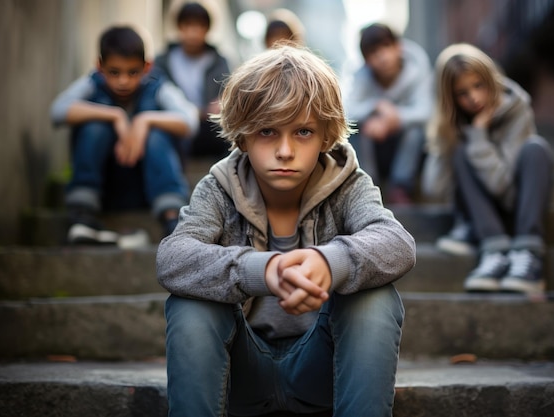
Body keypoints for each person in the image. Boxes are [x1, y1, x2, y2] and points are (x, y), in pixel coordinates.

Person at [156, 45, 416, 416]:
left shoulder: (348, 183)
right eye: (267, 131)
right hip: (239, 375)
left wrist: (330, 263)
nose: (284, 150)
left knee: (375, 297)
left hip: (321, 372)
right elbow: (173, 257)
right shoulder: (219, 186)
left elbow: (396, 244)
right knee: (190, 302)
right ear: (242, 137)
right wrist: (263, 270)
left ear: (327, 137)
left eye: (303, 132)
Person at [422, 43, 554, 294]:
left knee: (536, 149)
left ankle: (529, 256)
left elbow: (501, 184)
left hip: (517, 205)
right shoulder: (458, 121)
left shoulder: (517, 108)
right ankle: (494, 251)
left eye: (478, 85)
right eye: (462, 93)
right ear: (451, 98)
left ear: (490, 79)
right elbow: (434, 188)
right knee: (460, 151)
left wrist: (479, 136)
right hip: (483, 216)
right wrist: (443, 132)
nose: (474, 98)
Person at [50, 25, 197, 244]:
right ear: (99, 66)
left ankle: (172, 219)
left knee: (157, 133)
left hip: (149, 189)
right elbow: (57, 111)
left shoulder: (157, 86)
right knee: (94, 126)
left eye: (133, 72)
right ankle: (81, 215)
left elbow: (190, 120)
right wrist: (115, 116)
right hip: (104, 189)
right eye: (114, 72)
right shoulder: (92, 83)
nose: (123, 81)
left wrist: (144, 120)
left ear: (147, 67)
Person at [343, 23, 433, 205]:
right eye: (373, 53)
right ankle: (367, 189)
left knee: (415, 130)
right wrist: (376, 107)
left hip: (409, 147)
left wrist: (394, 118)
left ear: (398, 47)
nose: (382, 57)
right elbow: (347, 112)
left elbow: (426, 111)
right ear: (367, 61)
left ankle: (400, 188)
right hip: (376, 146)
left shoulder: (417, 68)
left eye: (386, 47)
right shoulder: (362, 76)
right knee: (356, 129)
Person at [154, 1, 231, 160]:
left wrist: (221, 103)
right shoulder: (163, 61)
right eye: (188, 25)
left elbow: (226, 93)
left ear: (207, 29)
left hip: (208, 126)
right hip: (175, 123)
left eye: (200, 26)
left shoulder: (219, 61)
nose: (193, 32)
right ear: (179, 27)